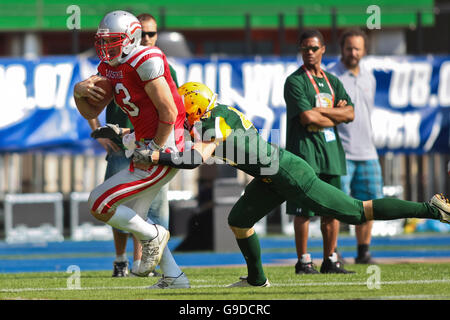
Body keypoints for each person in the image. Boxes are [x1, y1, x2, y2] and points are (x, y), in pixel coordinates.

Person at [124, 81, 449, 287]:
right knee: (238, 220)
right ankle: (256, 280)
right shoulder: (220, 112)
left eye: (186, 111)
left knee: (355, 211)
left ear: (195, 108)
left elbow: (195, 158)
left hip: (289, 174)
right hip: (270, 176)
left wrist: (154, 158)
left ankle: (431, 209)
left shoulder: (213, 123)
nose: (185, 117)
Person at [73, 10, 189, 286]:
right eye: (102, 39)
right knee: (138, 216)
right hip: (141, 143)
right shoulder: (111, 65)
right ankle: (175, 277)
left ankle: (152, 237)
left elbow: (169, 111)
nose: (104, 46)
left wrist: (156, 149)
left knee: (99, 202)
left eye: (111, 39)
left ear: (130, 38)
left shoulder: (145, 59)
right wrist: (79, 91)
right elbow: (90, 109)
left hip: (166, 146)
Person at [283, 29, 354, 274]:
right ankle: (303, 261)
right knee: (303, 210)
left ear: (323, 49)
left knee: (332, 208)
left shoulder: (333, 81)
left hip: (331, 152)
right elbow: (306, 117)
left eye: (314, 48)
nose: (309, 53)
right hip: (305, 153)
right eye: (305, 48)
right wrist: (336, 114)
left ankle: (330, 260)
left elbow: (351, 113)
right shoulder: (295, 81)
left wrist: (322, 114)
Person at [328, 28, 381, 264]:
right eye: (349, 48)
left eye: (357, 48)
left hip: (368, 151)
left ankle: (363, 251)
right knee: (338, 205)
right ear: (342, 49)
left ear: (364, 50)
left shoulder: (370, 77)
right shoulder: (330, 76)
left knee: (369, 204)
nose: (353, 52)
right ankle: (334, 250)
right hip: (341, 153)